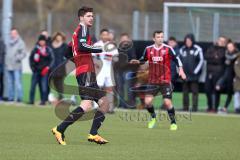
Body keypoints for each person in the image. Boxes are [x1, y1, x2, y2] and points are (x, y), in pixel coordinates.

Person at [51, 6, 110, 145]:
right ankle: (60, 129)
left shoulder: (77, 33)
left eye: (92, 16)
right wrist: (99, 49)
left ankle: (93, 134)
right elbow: (83, 46)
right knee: (87, 105)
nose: (91, 18)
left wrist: (79, 61)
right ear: (81, 18)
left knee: (104, 103)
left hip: (87, 72)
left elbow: (67, 52)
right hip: (86, 73)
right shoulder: (82, 29)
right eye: (88, 16)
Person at [130, 31, 186, 130]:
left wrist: (181, 71)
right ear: (154, 39)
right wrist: (138, 61)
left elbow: (177, 59)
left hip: (165, 81)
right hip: (153, 81)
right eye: (158, 37)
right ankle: (153, 117)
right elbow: (144, 59)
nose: (160, 38)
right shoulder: (148, 49)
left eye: (162, 37)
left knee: (167, 102)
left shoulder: (168, 49)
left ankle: (173, 122)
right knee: (147, 102)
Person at [93, 28, 118, 113]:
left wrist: (111, 57)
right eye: (103, 35)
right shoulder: (96, 45)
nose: (105, 36)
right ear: (100, 35)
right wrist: (95, 62)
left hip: (108, 70)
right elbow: (91, 56)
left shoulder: (111, 46)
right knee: (98, 88)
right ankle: (96, 106)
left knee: (110, 89)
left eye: (106, 35)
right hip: (99, 70)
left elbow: (116, 58)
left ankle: (110, 108)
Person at [179, 34, 204, 112]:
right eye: (186, 41)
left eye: (189, 41)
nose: (188, 42)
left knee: (194, 92)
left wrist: (195, 71)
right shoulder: (182, 49)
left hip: (194, 76)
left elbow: (201, 61)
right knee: (185, 92)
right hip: (185, 75)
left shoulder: (197, 49)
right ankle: (185, 108)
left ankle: (194, 108)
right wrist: (181, 71)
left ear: (192, 41)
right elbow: (178, 61)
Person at [29, 35, 55, 105]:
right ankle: (31, 101)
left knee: (43, 87)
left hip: (44, 72)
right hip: (36, 71)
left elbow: (52, 59)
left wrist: (48, 67)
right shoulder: (35, 49)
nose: (41, 42)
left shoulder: (48, 49)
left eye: (43, 41)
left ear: (45, 41)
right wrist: (32, 68)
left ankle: (43, 101)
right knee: (32, 86)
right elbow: (31, 59)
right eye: (40, 40)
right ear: (38, 41)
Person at [204, 36, 227, 112]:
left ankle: (215, 108)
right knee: (207, 90)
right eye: (220, 40)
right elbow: (206, 56)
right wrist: (214, 57)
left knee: (216, 91)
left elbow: (220, 60)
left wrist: (213, 58)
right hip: (209, 73)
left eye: (223, 41)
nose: (221, 42)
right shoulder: (212, 47)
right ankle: (209, 106)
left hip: (218, 73)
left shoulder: (225, 50)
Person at [216, 42, 239, 113]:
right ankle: (219, 107)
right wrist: (220, 82)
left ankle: (230, 108)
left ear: (234, 47)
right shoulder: (226, 55)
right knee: (218, 89)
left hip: (236, 78)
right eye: (228, 47)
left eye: (231, 47)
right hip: (227, 77)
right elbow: (226, 70)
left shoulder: (238, 56)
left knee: (233, 94)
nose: (229, 48)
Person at [115, 33, 137, 108]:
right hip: (119, 70)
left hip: (128, 70)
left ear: (128, 40)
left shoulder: (131, 48)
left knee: (128, 87)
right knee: (120, 88)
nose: (124, 40)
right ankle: (121, 104)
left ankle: (130, 104)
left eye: (125, 39)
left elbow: (133, 58)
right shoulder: (117, 49)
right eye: (122, 39)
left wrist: (130, 62)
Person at [5, 28, 26, 102]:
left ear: (17, 34)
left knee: (18, 83)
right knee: (10, 83)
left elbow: (23, 53)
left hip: (17, 66)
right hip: (9, 66)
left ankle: (19, 98)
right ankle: (11, 98)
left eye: (14, 33)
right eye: (11, 33)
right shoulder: (8, 42)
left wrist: (17, 58)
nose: (12, 34)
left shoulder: (20, 42)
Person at [49, 32, 68, 101]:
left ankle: (61, 97)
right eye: (57, 37)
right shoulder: (50, 45)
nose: (59, 38)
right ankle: (49, 97)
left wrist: (63, 62)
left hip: (60, 68)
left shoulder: (64, 46)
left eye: (60, 37)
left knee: (59, 83)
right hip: (51, 67)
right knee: (51, 82)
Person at [0, 33, 5, 101]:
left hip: (0, 65)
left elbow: (2, 54)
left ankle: (0, 96)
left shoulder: (2, 44)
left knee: (1, 81)